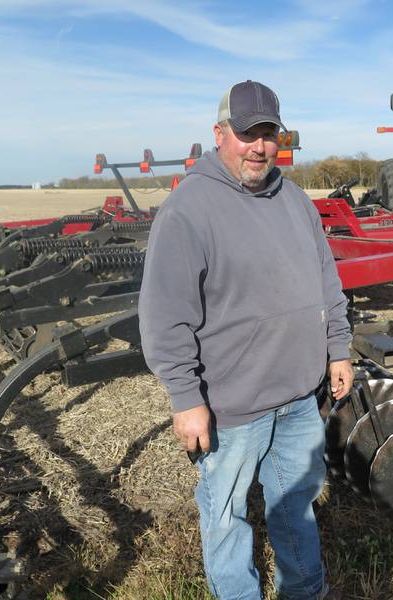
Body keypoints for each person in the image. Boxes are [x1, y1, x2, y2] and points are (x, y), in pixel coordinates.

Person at [139, 80, 353, 600]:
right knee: (227, 520)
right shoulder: (190, 208)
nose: (259, 146)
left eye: (268, 134)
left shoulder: (295, 199)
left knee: (295, 507)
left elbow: (326, 278)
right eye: (246, 134)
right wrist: (186, 399)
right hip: (232, 410)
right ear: (220, 134)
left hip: (299, 399)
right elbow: (164, 315)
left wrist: (338, 347)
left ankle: (306, 591)